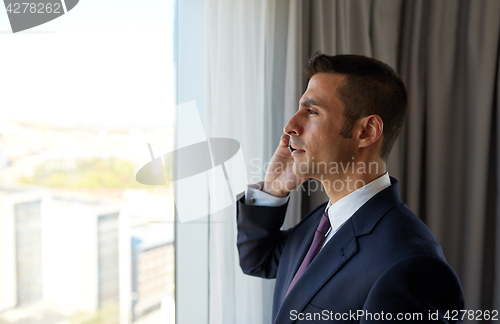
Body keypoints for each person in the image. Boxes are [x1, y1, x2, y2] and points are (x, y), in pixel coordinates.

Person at [237, 53, 464, 323]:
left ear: (367, 131)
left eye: (311, 111)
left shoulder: (410, 264)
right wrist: (273, 190)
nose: (290, 126)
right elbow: (258, 260)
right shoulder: (323, 221)